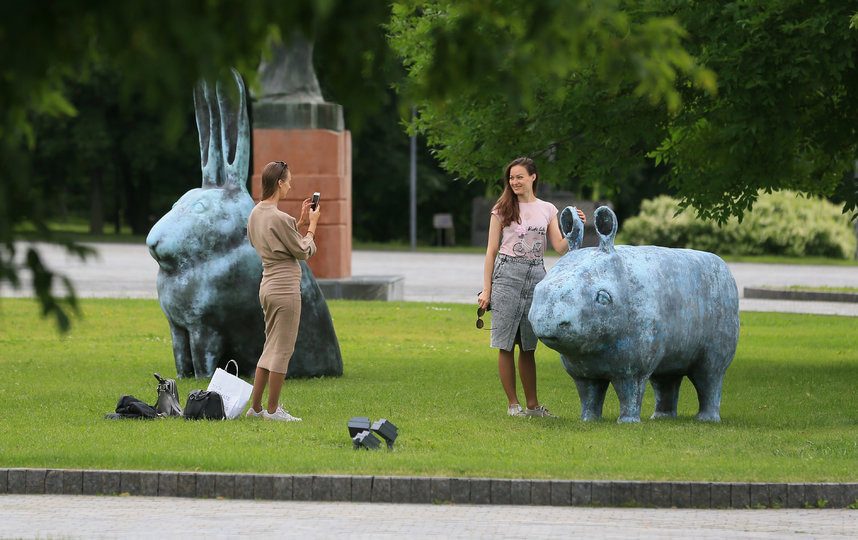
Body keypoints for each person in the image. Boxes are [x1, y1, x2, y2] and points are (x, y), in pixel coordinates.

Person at [477, 157, 585, 418]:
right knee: (505, 343)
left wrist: (575, 224)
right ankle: (513, 405)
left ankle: (534, 407)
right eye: (511, 178)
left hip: (536, 276)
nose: (514, 182)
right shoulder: (502, 208)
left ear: (533, 177)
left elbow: (560, 247)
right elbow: (491, 252)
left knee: (528, 345)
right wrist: (487, 290)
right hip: (506, 275)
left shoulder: (548, 209)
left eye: (519, 177)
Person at [245, 160, 320, 421]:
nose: (291, 185)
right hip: (285, 289)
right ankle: (273, 411)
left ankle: (255, 409)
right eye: (288, 181)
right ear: (279, 183)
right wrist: (311, 226)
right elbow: (301, 251)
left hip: (266, 285)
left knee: (269, 346)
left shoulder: (256, 213)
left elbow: (272, 240)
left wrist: (296, 223)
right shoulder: (281, 218)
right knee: (282, 350)